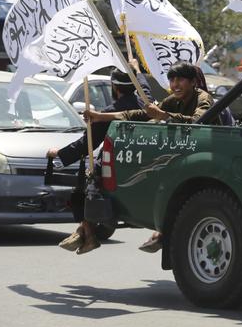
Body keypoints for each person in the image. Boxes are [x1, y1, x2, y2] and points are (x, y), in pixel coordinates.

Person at [86, 61, 215, 251]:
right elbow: (141, 114)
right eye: (172, 80)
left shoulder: (203, 98)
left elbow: (198, 122)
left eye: (180, 80)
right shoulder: (174, 100)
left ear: (192, 82)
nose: (175, 85)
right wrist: (99, 116)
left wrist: (164, 116)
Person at [48, 67, 151, 254]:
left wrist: (58, 153)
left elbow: (85, 145)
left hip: (114, 164)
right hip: (144, 162)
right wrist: (137, 70)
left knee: (82, 189)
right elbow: (144, 87)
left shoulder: (109, 112)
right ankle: (82, 232)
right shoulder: (147, 103)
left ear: (114, 86)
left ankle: (87, 232)